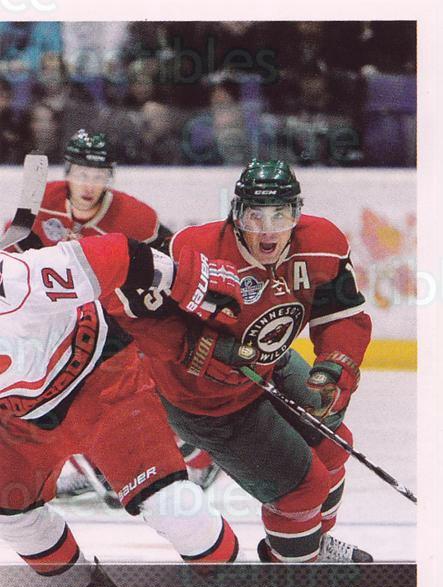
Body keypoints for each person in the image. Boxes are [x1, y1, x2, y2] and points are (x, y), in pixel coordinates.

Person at [116, 159, 373, 563]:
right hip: (203, 400)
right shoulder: (193, 250)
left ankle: (310, 546)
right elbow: (135, 314)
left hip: (271, 364)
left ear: (297, 213)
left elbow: (342, 317)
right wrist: (205, 348)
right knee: (301, 489)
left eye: (280, 215)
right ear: (236, 214)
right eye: (255, 216)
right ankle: (296, 570)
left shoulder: (322, 244)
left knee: (334, 445)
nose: (268, 230)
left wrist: (333, 367)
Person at [0, 231, 242, 587]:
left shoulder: (18, 279)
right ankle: (80, 585)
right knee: (9, 510)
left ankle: (238, 584)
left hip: (100, 380)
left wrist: (188, 281)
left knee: (170, 504)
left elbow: (116, 255)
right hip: (22, 418)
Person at [12, 128, 219, 492]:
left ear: (110, 177)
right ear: (68, 172)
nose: (89, 184)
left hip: (122, 315)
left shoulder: (136, 217)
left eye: (99, 175)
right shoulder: (44, 202)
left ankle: (201, 455)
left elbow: (171, 264)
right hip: (69, 319)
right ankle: (90, 465)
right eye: (82, 174)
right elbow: (16, 255)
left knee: (141, 385)